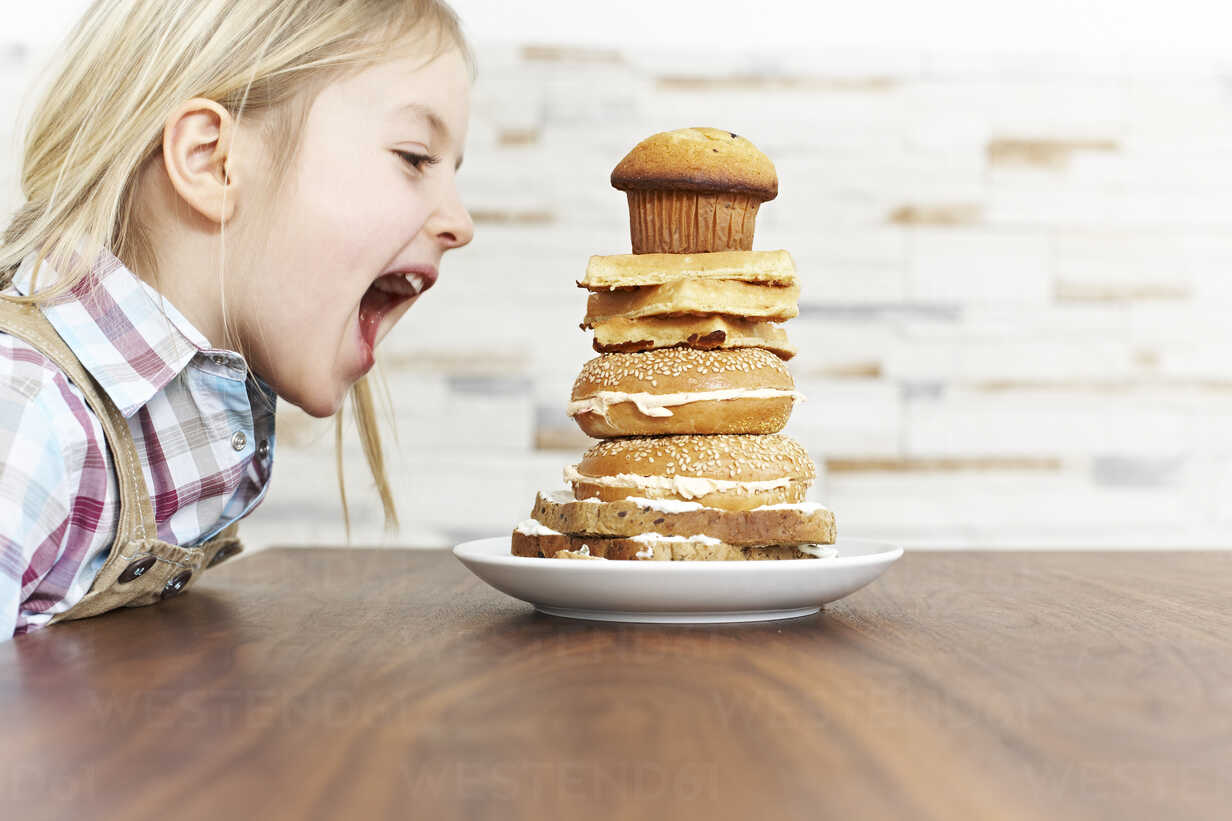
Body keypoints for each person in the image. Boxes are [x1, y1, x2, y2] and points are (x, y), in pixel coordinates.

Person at [0, 0, 474, 638]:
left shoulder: (186, 421)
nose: (460, 223)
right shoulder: (25, 414)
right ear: (212, 161)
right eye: (416, 157)